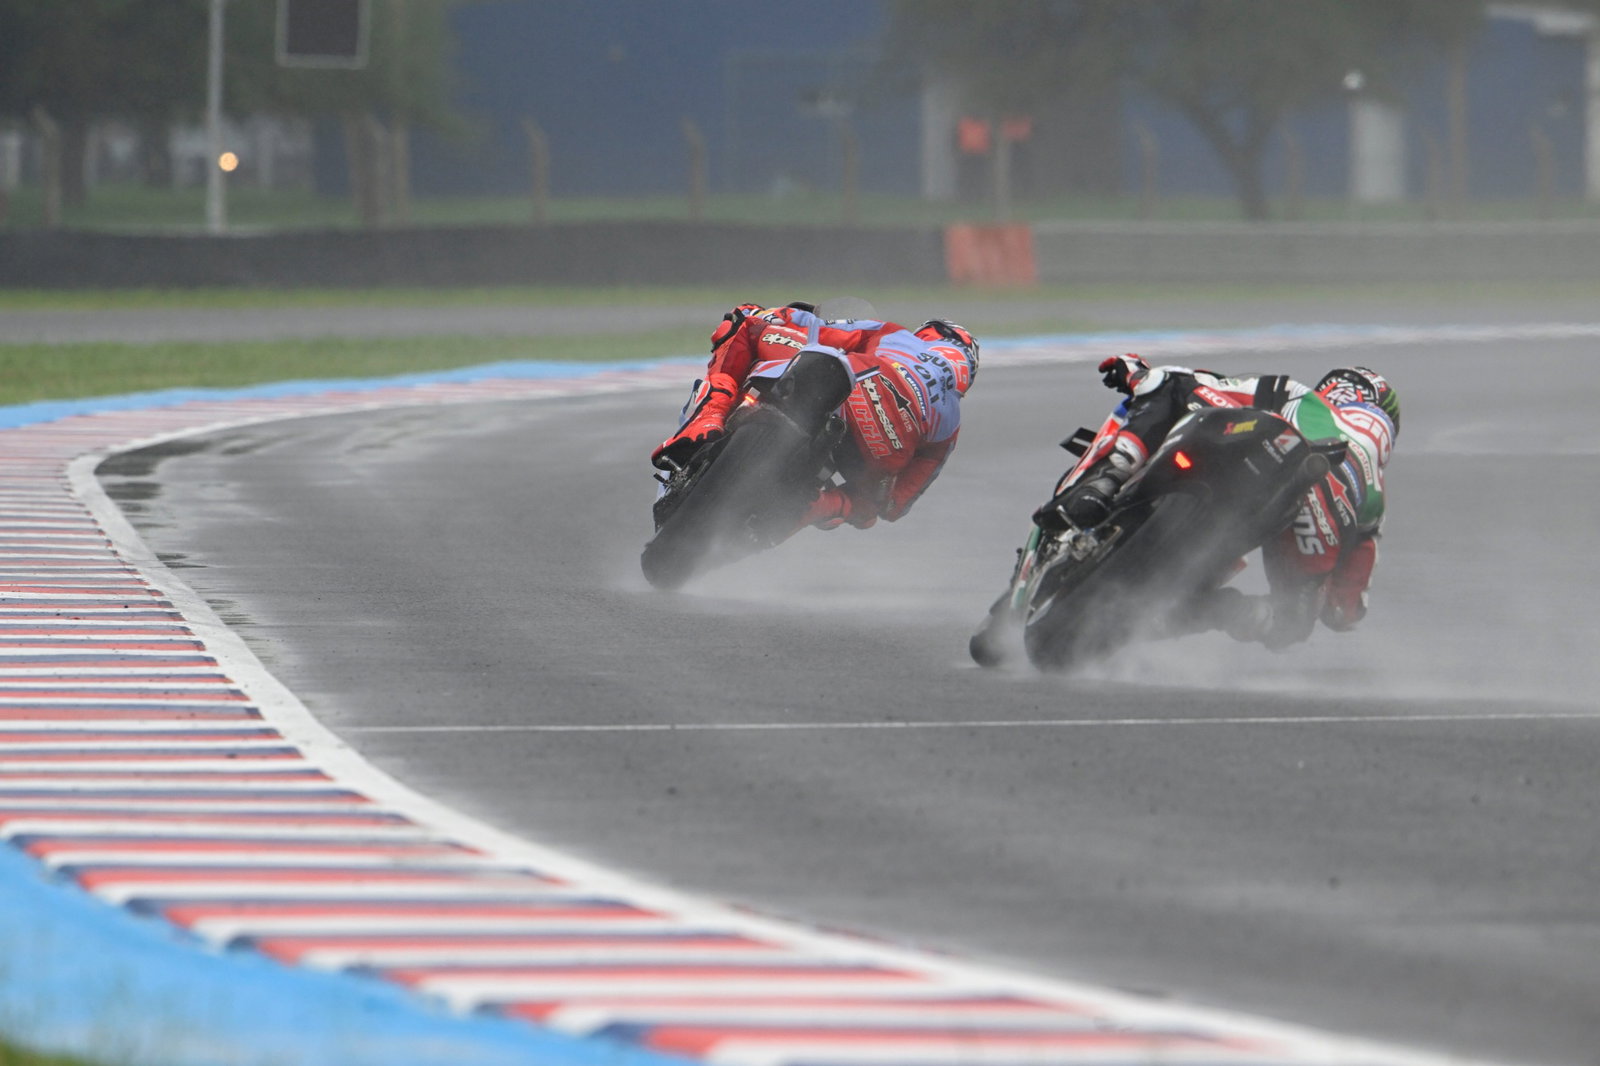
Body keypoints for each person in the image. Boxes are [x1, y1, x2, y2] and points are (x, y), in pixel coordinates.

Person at [1033, 354, 1399, 650]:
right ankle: (1201, 612)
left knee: (1168, 384)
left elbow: (1204, 383)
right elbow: (1343, 611)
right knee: (1290, 624)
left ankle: (1105, 480)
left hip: (1263, 453)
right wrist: (1342, 608)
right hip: (1309, 511)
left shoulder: (1301, 396)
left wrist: (1133, 372)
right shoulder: (1373, 489)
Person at [651, 300, 979, 531]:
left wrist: (780, 316)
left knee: (745, 323)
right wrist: (843, 505)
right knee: (868, 507)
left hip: (858, 390)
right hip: (883, 453)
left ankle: (708, 419)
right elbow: (895, 506)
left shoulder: (898, 337)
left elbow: (820, 333)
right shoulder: (951, 426)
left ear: (930, 336)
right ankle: (807, 508)